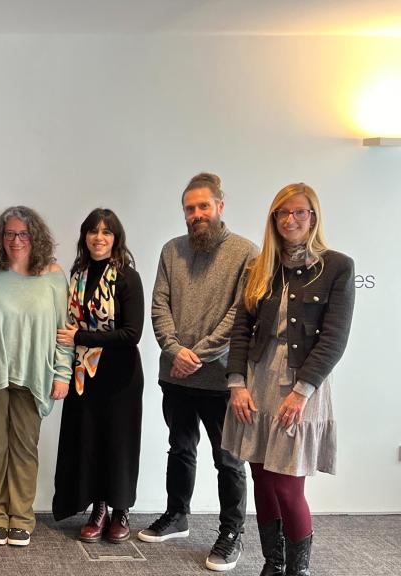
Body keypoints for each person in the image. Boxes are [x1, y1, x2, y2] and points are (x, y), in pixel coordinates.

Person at [224, 183, 354, 576]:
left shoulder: (337, 266)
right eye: (283, 213)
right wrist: (236, 383)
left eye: (299, 212)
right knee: (261, 478)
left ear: (313, 216)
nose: (291, 220)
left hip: (302, 386)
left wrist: (301, 394)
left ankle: (298, 571)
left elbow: (334, 338)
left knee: (287, 485)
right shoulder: (259, 267)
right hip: (257, 382)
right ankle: (273, 565)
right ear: (273, 219)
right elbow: (241, 328)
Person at [141, 172, 258, 572]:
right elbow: (159, 306)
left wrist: (199, 354)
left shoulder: (246, 253)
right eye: (189, 209)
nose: (196, 215)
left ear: (220, 206)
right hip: (175, 374)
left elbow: (239, 315)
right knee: (180, 448)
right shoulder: (171, 251)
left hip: (222, 379)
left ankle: (232, 533)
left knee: (228, 459)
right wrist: (175, 350)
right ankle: (178, 515)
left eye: (203, 206)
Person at [0, 206, 72, 547]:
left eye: (23, 234)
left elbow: (63, 329)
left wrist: (63, 373)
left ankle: (22, 517)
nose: (16, 240)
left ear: (35, 237)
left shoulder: (53, 276)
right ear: (0, 237)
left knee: (25, 448)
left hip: (35, 375)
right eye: (9, 233)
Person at [52, 208, 144, 544]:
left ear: (116, 237)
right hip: (83, 375)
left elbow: (131, 334)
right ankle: (99, 508)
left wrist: (81, 337)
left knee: (118, 443)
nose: (99, 237)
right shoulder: (77, 273)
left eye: (106, 232)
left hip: (120, 376)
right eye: (93, 231)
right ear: (85, 236)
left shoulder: (127, 277)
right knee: (89, 442)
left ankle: (121, 511)